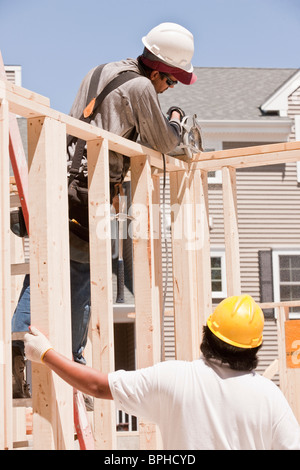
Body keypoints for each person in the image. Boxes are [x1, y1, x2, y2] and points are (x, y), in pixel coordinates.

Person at [11, 22, 198, 398]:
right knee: (83, 277)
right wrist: (176, 124)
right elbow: (160, 140)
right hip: (87, 194)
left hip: (59, 184)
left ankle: (19, 343)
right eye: (171, 82)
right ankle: (74, 363)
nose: (168, 89)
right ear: (159, 71)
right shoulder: (142, 86)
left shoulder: (101, 71)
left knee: (46, 270)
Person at [24, 294, 300, 450]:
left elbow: (97, 386)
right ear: (253, 349)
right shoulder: (270, 398)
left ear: (208, 335)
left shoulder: (176, 379)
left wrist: (45, 354)